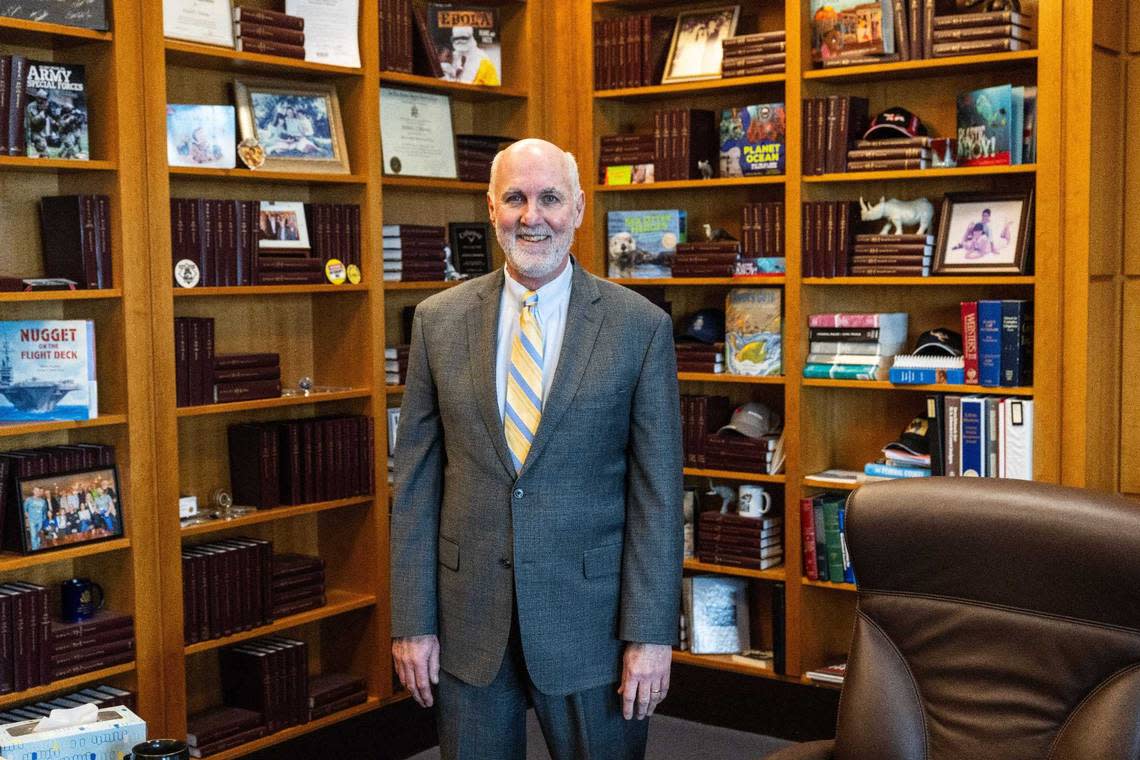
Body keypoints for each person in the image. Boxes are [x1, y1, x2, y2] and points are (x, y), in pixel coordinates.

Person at [391, 138, 682, 759]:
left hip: (594, 627)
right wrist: (412, 621)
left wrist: (651, 635)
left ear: (578, 208)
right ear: (491, 207)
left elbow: (657, 497)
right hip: (469, 622)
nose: (533, 217)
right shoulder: (436, 322)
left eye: (549, 198)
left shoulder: (640, 327)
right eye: (516, 199)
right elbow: (414, 486)